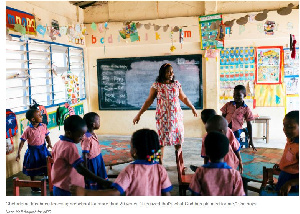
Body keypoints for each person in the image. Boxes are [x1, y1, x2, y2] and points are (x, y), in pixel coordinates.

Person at [70, 129, 173, 196]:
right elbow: (166, 194)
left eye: (131, 146)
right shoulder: (160, 169)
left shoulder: (131, 170)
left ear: (134, 151)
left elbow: (115, 192)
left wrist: (86, 192)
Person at [133, 63, 198, 164]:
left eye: (172, 71)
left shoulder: (176, 84)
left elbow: (184, 98)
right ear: (162, 73)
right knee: (161, 143)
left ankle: (180, 166)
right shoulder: (156, 85)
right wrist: (139, 114)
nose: (171, 74)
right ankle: (159, 165)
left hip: (176, 118)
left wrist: (192, 108)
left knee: (178, 142)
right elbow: (148, 101)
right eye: (168, 72)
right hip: (163, 119)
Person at [51, 115, 111, 196]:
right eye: (80, 136)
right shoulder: (70, 147)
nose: (82, 138)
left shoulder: (58, 144)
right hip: (68, 190)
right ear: (69, 133)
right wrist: (102, 181)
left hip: (59, 187)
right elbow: (80, 169)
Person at [189, 131, 245, 196]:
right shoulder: (235, 175)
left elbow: (194, 194)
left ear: (206, 152)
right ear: (227, 151)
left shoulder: (200, 172)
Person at [16, 108, 52, 192]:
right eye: (39, 115)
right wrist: (18, 153)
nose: (41, 116)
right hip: (33, 151)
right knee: (33, 167)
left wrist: (49, 143)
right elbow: (22, 142)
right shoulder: (27, 130)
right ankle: (33, 185)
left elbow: (47, 136)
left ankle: (47, 178)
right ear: (33, 119)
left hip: (42, 149)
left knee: (46, 164)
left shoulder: (43, 126)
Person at [220, 85, 256, 150]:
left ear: (244, 96)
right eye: (234, 95)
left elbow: (249, 124)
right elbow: (222, 118)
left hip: (236, 132)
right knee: (225, 148)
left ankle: (237, 160)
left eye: (239, 95)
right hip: (226, 131)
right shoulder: (228, 105)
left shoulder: (246, 109)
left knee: (235, 149)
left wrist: (251, 139)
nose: (236, 97)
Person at [273, 110, 299, 196]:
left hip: (293, 183)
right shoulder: (291, 139)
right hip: (284, 176)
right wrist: (283, 166)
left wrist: (290, 183)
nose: (286, 130)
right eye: (284, 126)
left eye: (291, 127)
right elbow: (291, 158)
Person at [81, 112, 108, 190]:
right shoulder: (86, 137)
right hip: (92, 162)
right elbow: (84, 155)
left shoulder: (91, 134)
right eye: (98, 121)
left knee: (100, 177)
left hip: (98, 159)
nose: (99, 123)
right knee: (93, 180)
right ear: (93, 124)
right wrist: (86, 171)